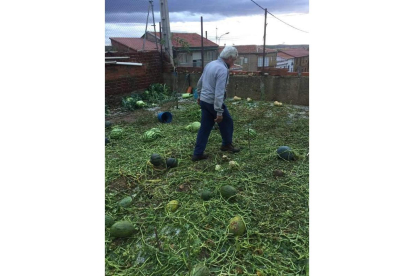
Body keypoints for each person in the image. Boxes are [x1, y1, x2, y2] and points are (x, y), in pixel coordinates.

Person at [192, 46, 240, 162]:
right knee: (227, 121)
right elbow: (219, 92)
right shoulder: (222, 70)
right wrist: (219, 112)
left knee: (205, 126)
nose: (233, 63)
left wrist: (199, 96)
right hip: (212, 102)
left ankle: (198, 153)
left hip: (204, 101)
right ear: (229, 58)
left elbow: (200, 82)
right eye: (233, 61)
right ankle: (226, 144)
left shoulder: (211, 64)